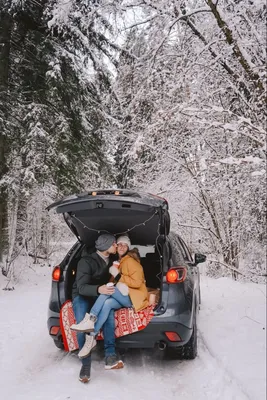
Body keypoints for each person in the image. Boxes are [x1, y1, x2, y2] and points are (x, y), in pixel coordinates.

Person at [71, 235, 149, 360]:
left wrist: (117, 276)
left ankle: (90, 319)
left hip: (134, 298)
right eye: (119, 244)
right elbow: (113, 280)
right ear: (116, 247)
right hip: (123, 296)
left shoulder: (131, 261)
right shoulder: (118, 262)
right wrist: (114, 276)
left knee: (109, 290)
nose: (122, 246)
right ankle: (92, 336)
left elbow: (137, 283)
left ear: (129, 247)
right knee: (107, 304)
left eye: (125, 244)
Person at [71, 233, 122, 383]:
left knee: (109, 314)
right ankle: (85, 364)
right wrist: (99, 289)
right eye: (114, 244)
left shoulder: (113, 260)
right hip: (83, 295)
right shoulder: (86, 261)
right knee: (83, 324)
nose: (116, 246)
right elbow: (81, 287)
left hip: (101, 294)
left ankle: (110, 355)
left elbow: (116, 279)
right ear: (106, 245)